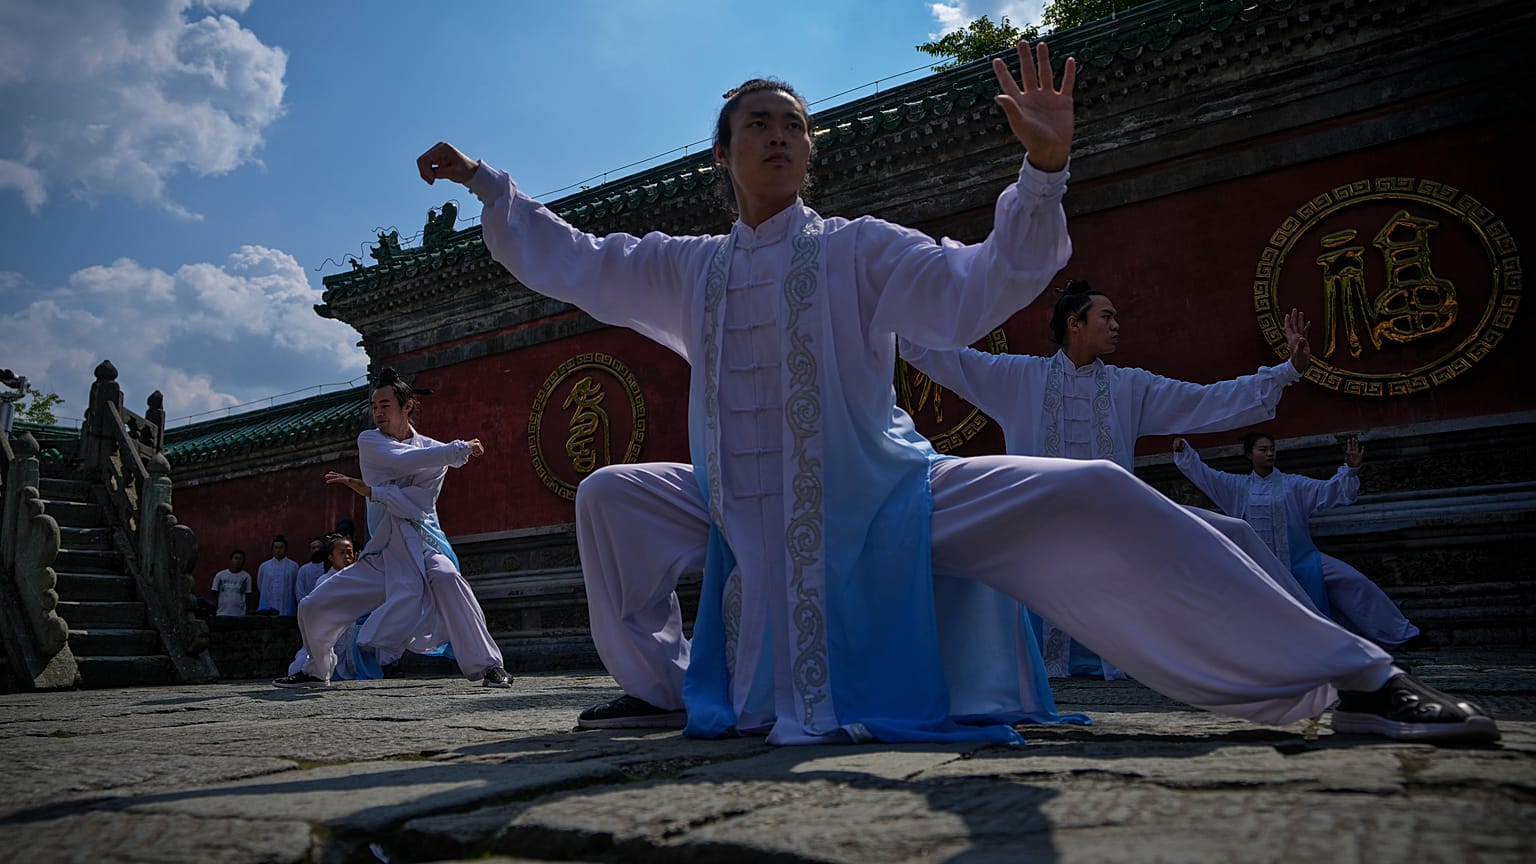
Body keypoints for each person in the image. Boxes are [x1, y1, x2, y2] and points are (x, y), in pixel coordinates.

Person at [416, 41, 1495, 744]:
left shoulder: (857, 251)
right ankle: (666, 689)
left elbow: (982, 286)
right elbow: (572, 257)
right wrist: (484, 186)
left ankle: (1354, 680)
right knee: (610, 492)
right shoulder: (685, 268)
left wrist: (1042, 177)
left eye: (796, 122)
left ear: (811, 153)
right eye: (760, 123)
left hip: (890, 498)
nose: (783, 134)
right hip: (745, 508)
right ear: (723, 156)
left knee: (1099, 496)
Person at [897, 279, 1320, 679]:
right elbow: (949, 359)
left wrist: (1286, 371)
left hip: (1112, 527)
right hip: (1037, 531)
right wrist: (895, 312)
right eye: (1107, 317)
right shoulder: (1018, 377)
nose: (1117, 326)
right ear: (1074, 324)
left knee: (1234, 534)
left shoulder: (1130, 386)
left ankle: (1304, 645)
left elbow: (1204, 399)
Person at [273, 370, 512, 689]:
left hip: (425, 546)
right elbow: (403, 464)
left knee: (447, 577)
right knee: (312, 605)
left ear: (407, 406)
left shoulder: (431, 449)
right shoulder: (370, 441)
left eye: (385, 405)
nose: (378, 412)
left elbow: (418, 505)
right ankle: (316, 669)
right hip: (383, 554)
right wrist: (459, 450)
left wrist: (376, 492)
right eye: (374, 406)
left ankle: (489, 666)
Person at [1173, 432, 1422, 649]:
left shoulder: (1293, 485)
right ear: (1250, 454)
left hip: (1302, 560)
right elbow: (1206, 475)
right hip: (1259, 566)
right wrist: (1185, 451)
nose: (1270, 453)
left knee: (1353, 580)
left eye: (1272, 449)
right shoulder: (1236, 486)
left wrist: (1351, 469)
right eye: (1263, 449)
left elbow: (1329, 490)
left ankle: (1401, 634)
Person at [284, 534, 384, 681]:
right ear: (331, 557)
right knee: (301, 667)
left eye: (349, 552)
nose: (346, 557)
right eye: (341, 553)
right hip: (329, 633)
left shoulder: (360, 579)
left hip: (352, 634)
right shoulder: (324, 581)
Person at [255, 535, 300, 616]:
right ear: (272, 549)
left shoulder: (293, 566)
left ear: (286, 549)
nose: (278, 550)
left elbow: (296, 585)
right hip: (268, 603)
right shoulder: (264, 566)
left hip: (286, 605)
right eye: (276, 548)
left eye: (281, 547)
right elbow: (260, 585)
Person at [211, 550, 251, 617]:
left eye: (240, 559)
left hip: (240, 614)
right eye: (235, 558)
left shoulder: (246, 577)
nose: (238, 561)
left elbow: (248, 596)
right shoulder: (220, 575)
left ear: (244, 561)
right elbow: (214, 592)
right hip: (222, 613)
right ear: (231, 560)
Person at [295, 536, 328, 604]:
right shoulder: (303, 570)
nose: (316, 550)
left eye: (319, 547)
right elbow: (300, 592)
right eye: (314, 548)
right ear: (310, 550)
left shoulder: (329, 568)